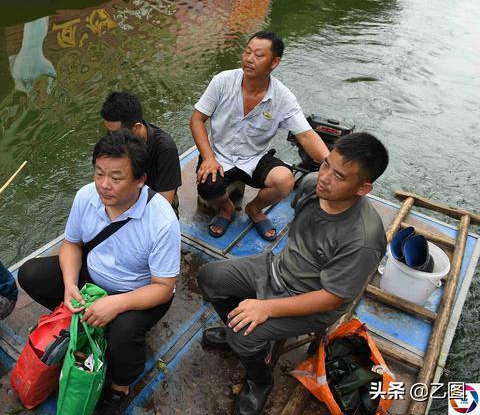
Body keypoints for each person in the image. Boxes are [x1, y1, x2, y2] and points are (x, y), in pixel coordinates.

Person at [197, 132, 389, 415]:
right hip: (277, 267)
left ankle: (260, 380)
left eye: (339, 176)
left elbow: (331, 299)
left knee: (243, 333)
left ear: (363, 188)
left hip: (312, 300)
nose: (325, 177)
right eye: (325, 165)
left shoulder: (363, 238)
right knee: (209, 277)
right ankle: (242, 336)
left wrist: (268, 308)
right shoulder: (312, 185)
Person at [18, 131, 181, 415]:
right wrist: (70, 285)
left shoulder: (162, 221)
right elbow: (72, 244)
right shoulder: (86, 197)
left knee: (123, 334)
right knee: (31, 273)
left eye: (116, 178)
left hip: (138, 292)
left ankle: (120, 385)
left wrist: (114, 304)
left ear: (140, 180)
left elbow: (164, 287)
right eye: (99, 174)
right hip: (91, 276)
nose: (104, 185)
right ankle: (86, 323)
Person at [189, 31, 329, 241]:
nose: (249, 59)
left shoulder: (283, 97)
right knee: (207, 186)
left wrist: (332, 165)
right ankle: (226, 208)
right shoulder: (223, 81)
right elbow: (197, 120)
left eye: (259, 55)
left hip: (254, 158)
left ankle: (254, 209)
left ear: (274, 62)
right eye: (247, 52)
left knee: (284, 180)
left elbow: (307, 136)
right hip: (219, 154)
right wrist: (208, 157)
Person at [101, 91, 182, 216]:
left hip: (154, 208)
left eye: (115, 133)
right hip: (124, 200)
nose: (110, 137)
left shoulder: (165, 149)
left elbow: (164, 202)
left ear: (136, 127)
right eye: (108, 131)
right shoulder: (116, 137)